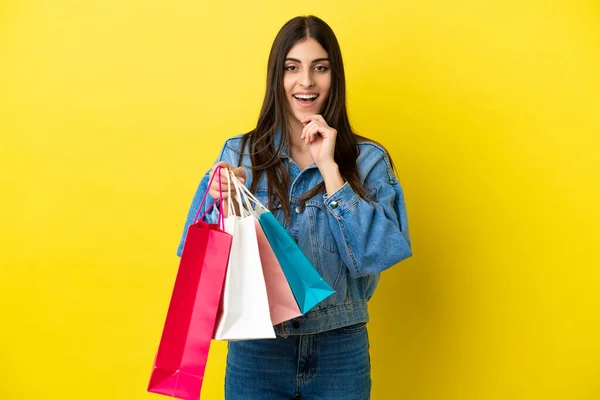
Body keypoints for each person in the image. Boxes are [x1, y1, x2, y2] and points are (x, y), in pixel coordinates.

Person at [177, 15, 412, 400]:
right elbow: (197, 260)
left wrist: (330, 169)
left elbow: (379, 253)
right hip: (257, 352)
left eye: (320, 67)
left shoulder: (368, 160)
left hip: (341, 350)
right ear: (277, 77)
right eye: (292, 68)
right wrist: (218, 203)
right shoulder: (240, 154)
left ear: (334, 77)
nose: (306, 81)